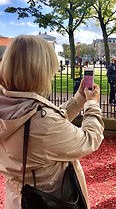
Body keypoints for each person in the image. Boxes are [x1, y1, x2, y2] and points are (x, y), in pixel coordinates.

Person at [0, 35, 104, 209]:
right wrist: (92, 105)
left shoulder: (10, 106)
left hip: (17, 197)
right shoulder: (43, 122)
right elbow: (90, 139)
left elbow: (44, 121)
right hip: (49, 199)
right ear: (39, 71)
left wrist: (78, 100)